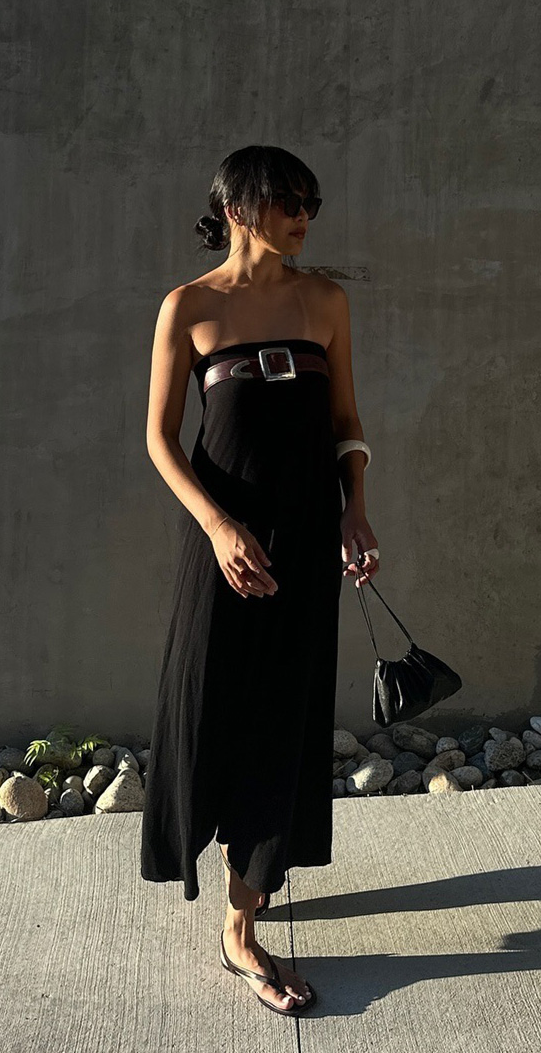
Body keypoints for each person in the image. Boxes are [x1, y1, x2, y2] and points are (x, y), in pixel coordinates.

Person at [140, 144, 379, 1016]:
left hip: (309, 539)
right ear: (240, 207)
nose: (303, 218)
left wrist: (355, 511)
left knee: (283, 716)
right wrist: (217, 527)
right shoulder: (189, 308)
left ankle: (245, 920)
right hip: (222, 544)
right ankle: (217, 859)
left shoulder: (325, 301)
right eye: (288, 203)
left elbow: (348, 421)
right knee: (207, 706)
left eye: (310, 203)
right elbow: (162, 439)